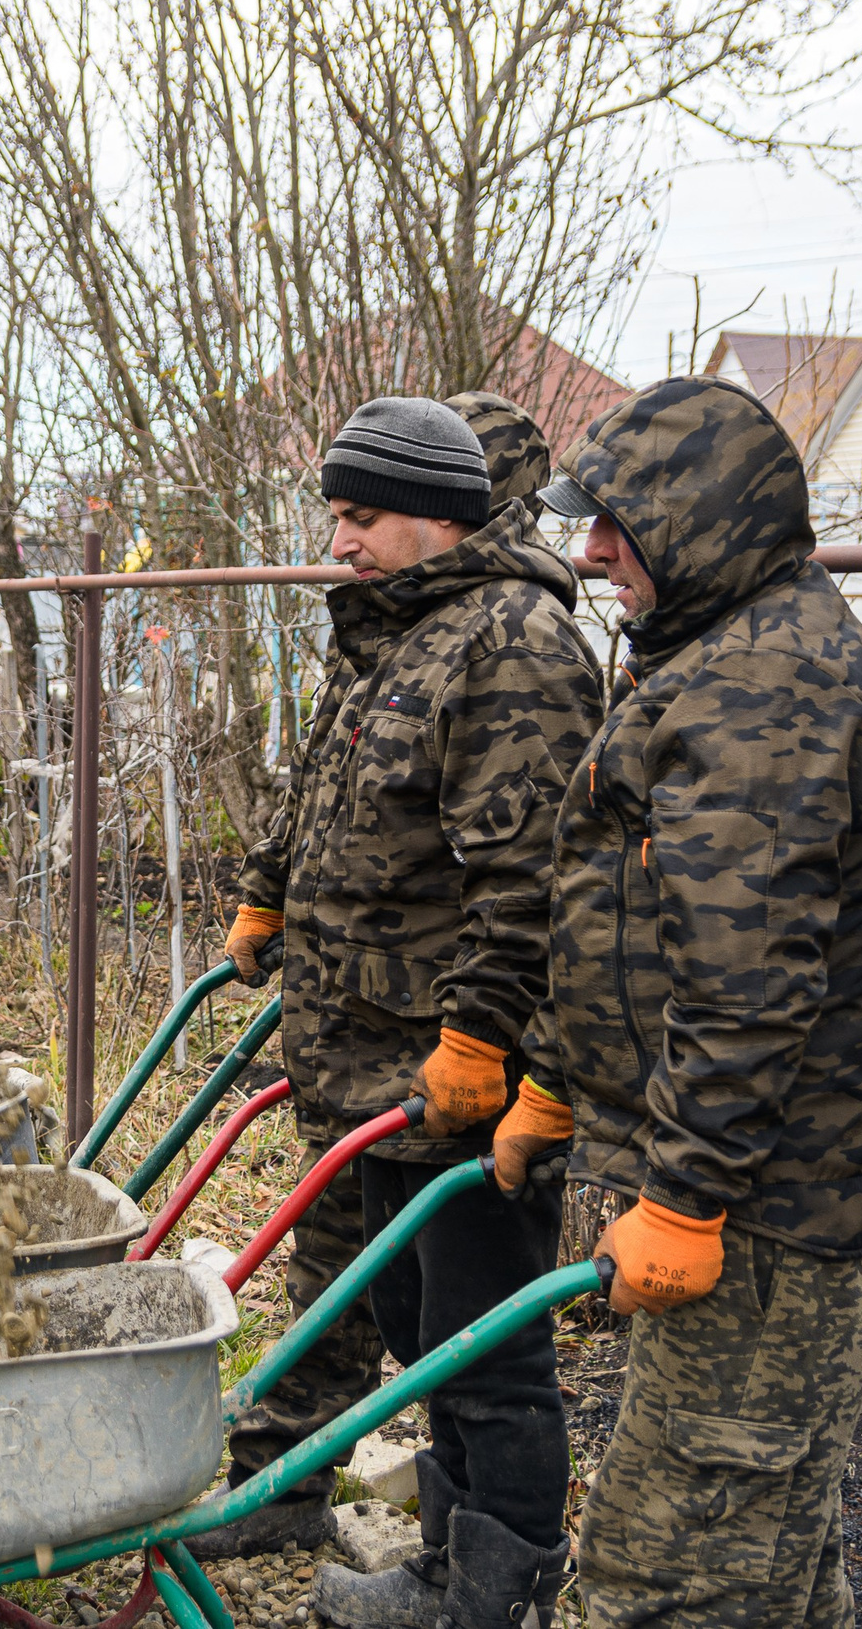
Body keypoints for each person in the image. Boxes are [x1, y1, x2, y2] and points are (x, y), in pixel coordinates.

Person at [494, 375, 862, 1626]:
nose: (589, 551)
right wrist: (557, 1079)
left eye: (615, 523)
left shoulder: (770, 687)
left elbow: (745, 984)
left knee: (667, 1571)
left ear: (702, 521)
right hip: (769, 1188)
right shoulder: (711, 654)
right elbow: (634, 922)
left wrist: (682, 1196)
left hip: (780, 1204)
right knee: (769, 1555)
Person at [206, 393, 602, 1629]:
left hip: (454, 1073)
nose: (340, 541)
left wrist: (481, 1039)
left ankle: (497, 1588)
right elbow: (335, 793)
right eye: (336, 514)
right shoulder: (407, 631)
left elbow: (531, 879)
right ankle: (448, 1566)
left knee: (485, 1350)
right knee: (418, 1322)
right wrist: (270, 897)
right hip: (377, 1062)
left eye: (360, 516)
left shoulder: (514, 646)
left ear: (435, 515)